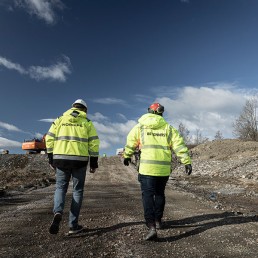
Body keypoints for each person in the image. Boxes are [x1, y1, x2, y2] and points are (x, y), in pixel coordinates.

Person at [123, 103, 192, 241]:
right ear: (160, 113)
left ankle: (151, 226)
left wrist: (127, 156)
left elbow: (131, 142)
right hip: (163, 169)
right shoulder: (168, 128)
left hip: (147, 169)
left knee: (147, 195)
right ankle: (158, 220)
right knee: (159, 194)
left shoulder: (140, 127)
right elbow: (179, 145)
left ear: (149, 111)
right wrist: (186, 161)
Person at [46, 99, 100, 235]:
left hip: (61, 160)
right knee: (77, 191)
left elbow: (49, 138)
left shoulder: (59, 119)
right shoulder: (87, 122)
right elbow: (94, 143)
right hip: (79, 161)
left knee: (60, 188)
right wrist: (93, 162)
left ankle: (58, 212)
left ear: (72, 107)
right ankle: (73, 226)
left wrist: (51, 158)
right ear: (85, 110)